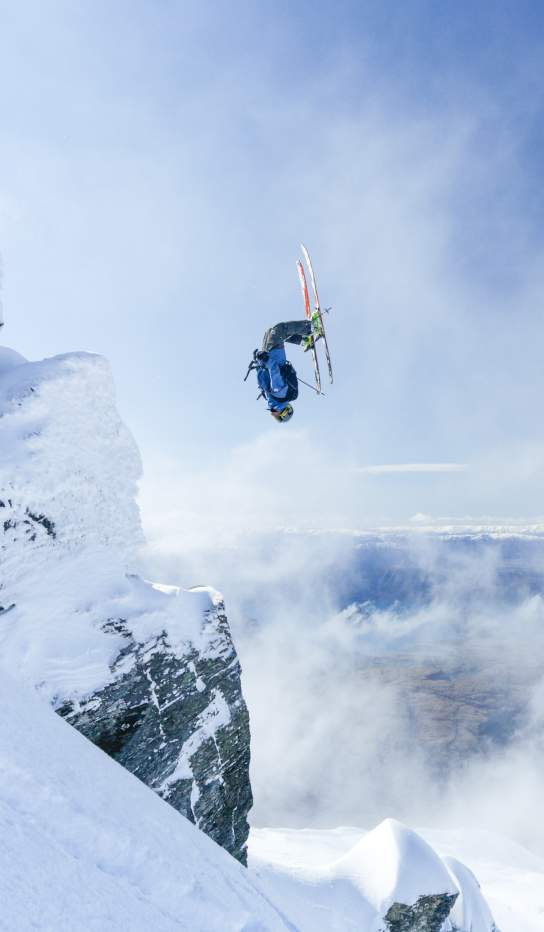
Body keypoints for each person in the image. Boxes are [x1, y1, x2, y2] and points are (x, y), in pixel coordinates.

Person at [254, 317, 322, 423]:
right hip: (274, 353)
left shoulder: (272, 398)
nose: (273, 415)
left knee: (271, 332)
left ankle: (304, 341)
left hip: (270, 354)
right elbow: (274, 370)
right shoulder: (279, 394)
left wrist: (258, 360)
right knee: (279, 330)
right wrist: (265, 359)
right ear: (283, 412)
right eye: (277, 417)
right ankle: (312, 327)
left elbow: (263, 374)